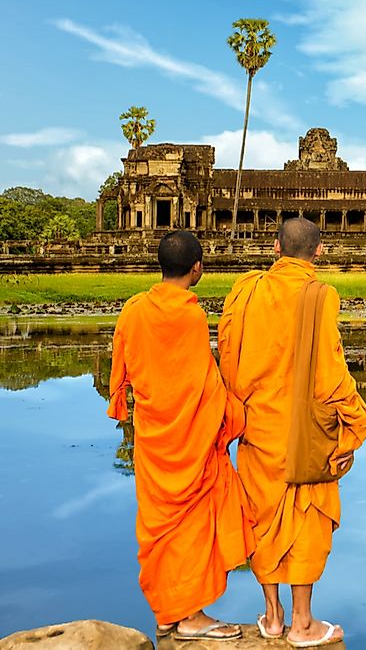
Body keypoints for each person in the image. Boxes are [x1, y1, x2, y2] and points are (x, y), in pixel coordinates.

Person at [218, 217, 366, 647]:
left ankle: (271, 614)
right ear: (319, 251)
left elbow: (227, 354)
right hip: (303, 432)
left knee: (263, 515)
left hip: (256, 424)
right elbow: (330, 371)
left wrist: (238, 409)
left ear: (275, 246)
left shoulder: (246, 290)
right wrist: (356, 423)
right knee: (305, 516)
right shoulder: (320, 295)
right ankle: (302, 622)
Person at [107, 230, 252, 641]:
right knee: (189, 526)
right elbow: (202, 384)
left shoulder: (134, 310)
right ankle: (189, 616)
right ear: (197, 268)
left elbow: (125, 370)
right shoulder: (190, 316)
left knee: (161, 526)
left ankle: (169, 612)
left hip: (153, 438)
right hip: (189, 441)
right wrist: (235, 413)